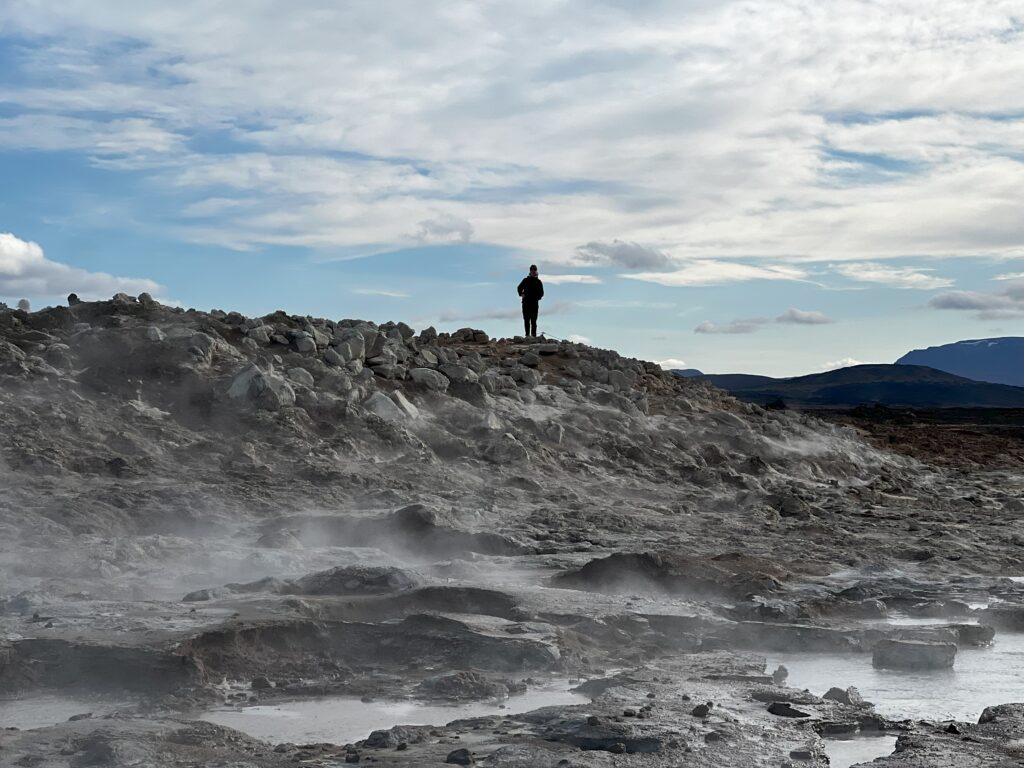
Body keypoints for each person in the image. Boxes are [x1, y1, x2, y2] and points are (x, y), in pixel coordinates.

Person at [517, 264, 544, 337]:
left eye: (534, 270)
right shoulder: (526, 280)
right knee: (526, 320)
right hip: (526, 303)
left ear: (536, 271)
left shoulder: (538, 282)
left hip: (534, 303)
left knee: (534, 321)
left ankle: (533, 336)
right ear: (530, 271)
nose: (533, 271)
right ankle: (527, 336)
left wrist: (537, 297)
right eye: (532, 270)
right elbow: (519, 287)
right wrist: (521, 294)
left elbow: (542, 293)